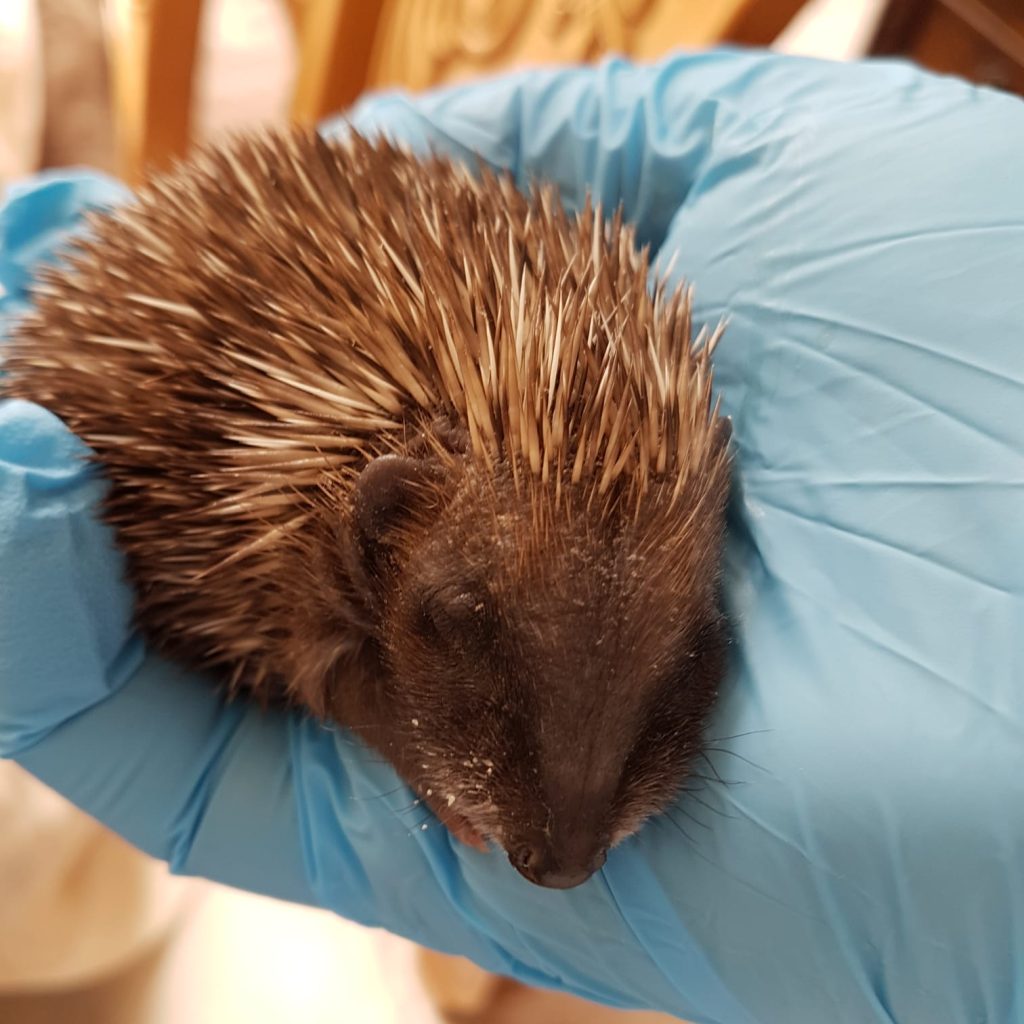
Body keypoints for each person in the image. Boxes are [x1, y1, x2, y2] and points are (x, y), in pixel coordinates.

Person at [2, 49, 1023, 1024]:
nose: (565, 858)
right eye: (469, 622)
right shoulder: (304, 494)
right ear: (384, 515)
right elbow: (268, 613)